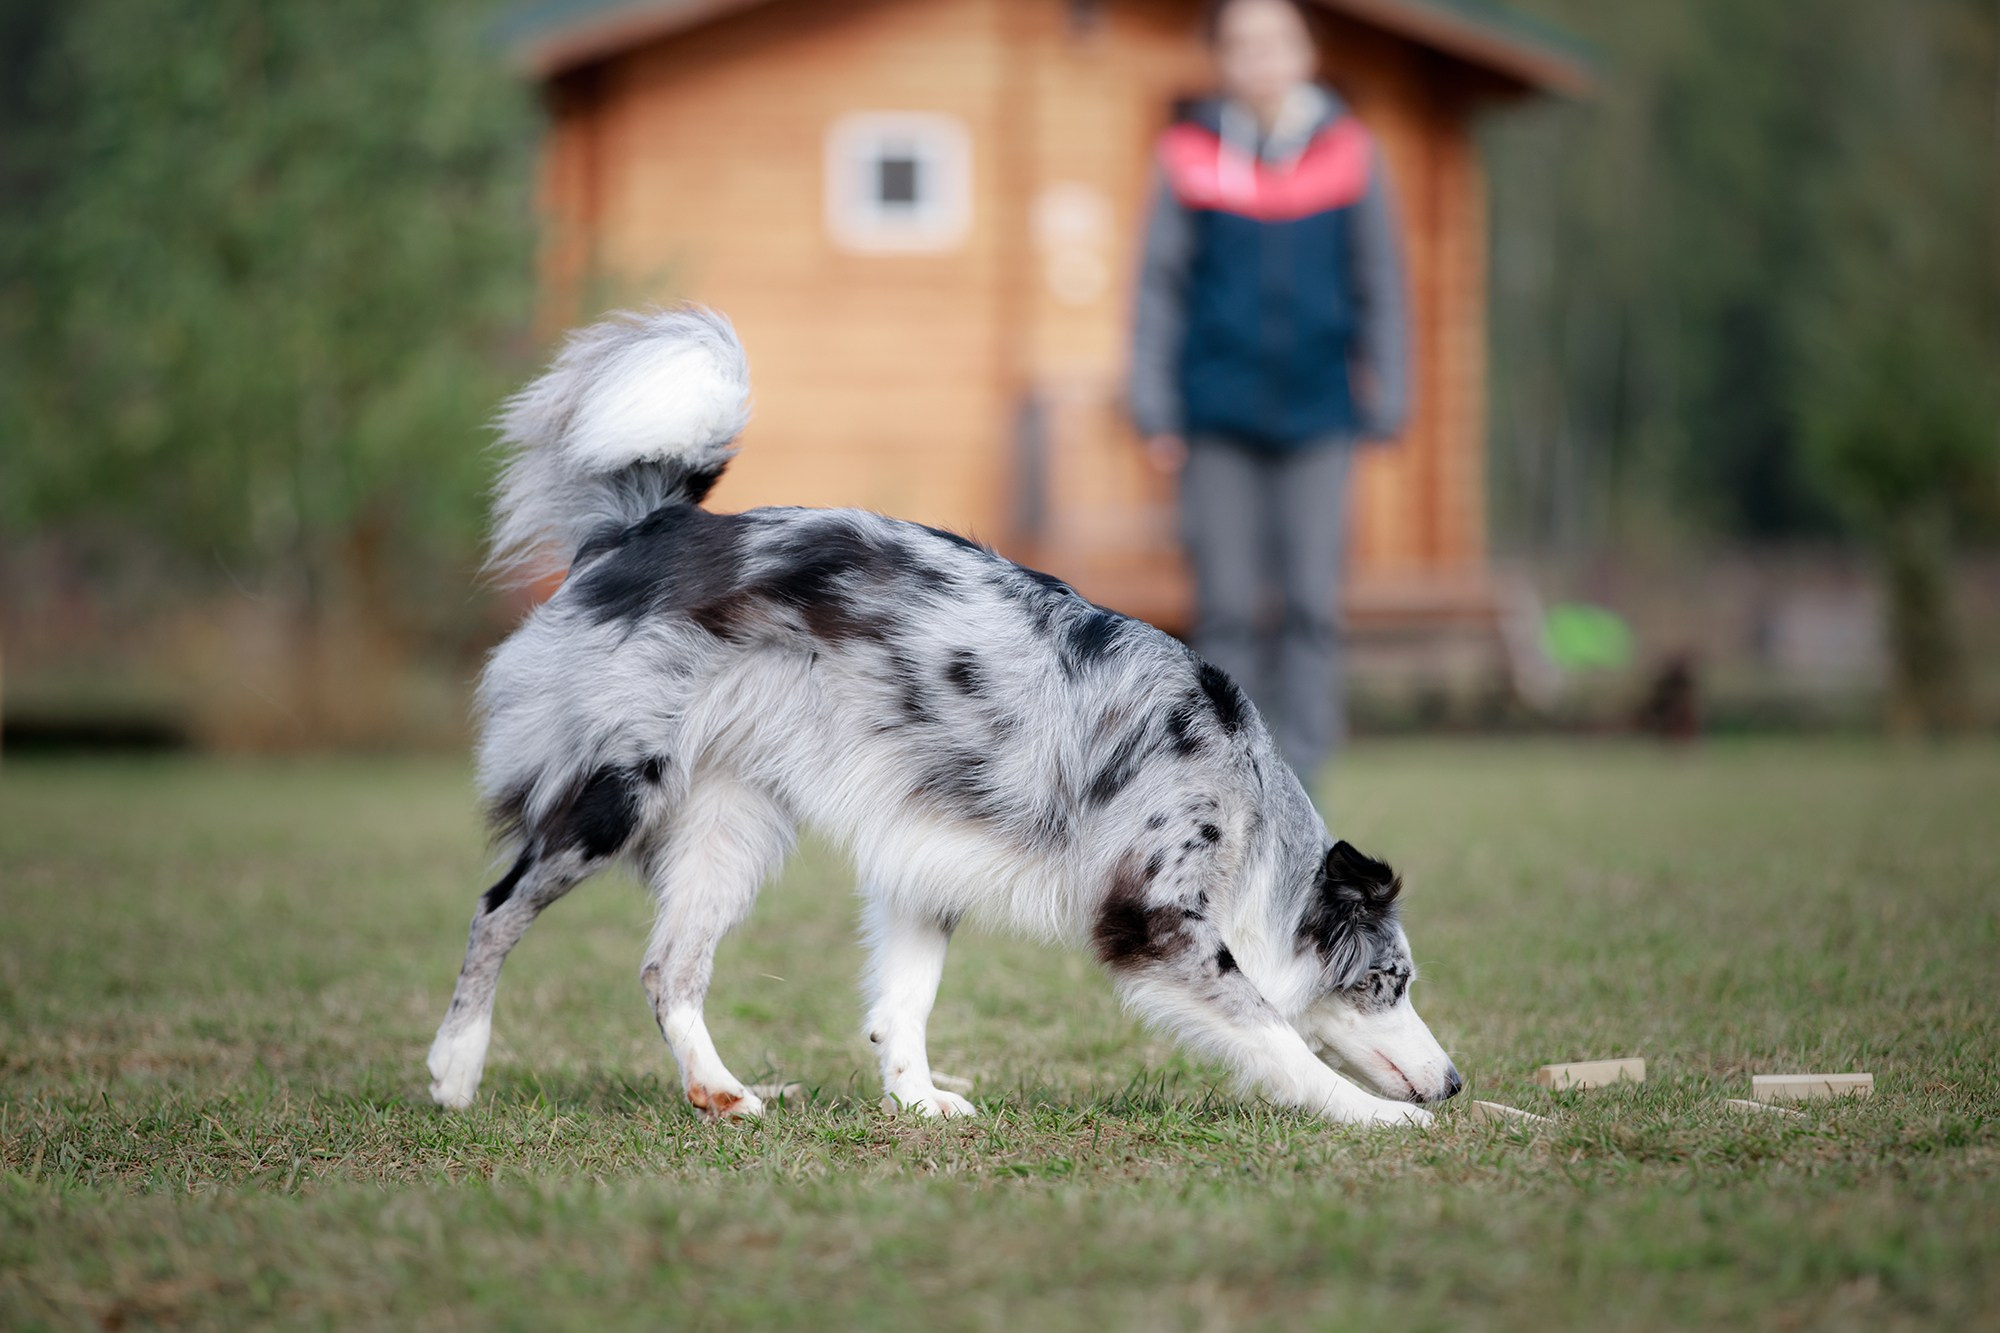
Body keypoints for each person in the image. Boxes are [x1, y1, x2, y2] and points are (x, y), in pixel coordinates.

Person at [1129, 0, 1409, 781]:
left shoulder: (1353, 153)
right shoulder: (1187, 153)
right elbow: (1158, 288)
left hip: (1322, 413)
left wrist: (1392, 393)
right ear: (1221, 55)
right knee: (1224, 608)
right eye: (1242, 42)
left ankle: (1304, 776)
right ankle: (1230, 774)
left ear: (1307, 50)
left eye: (1276, 40)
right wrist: (1153, 404)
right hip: (1214, 413)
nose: (1260, 56)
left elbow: (1381, 282)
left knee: (1313, 604)